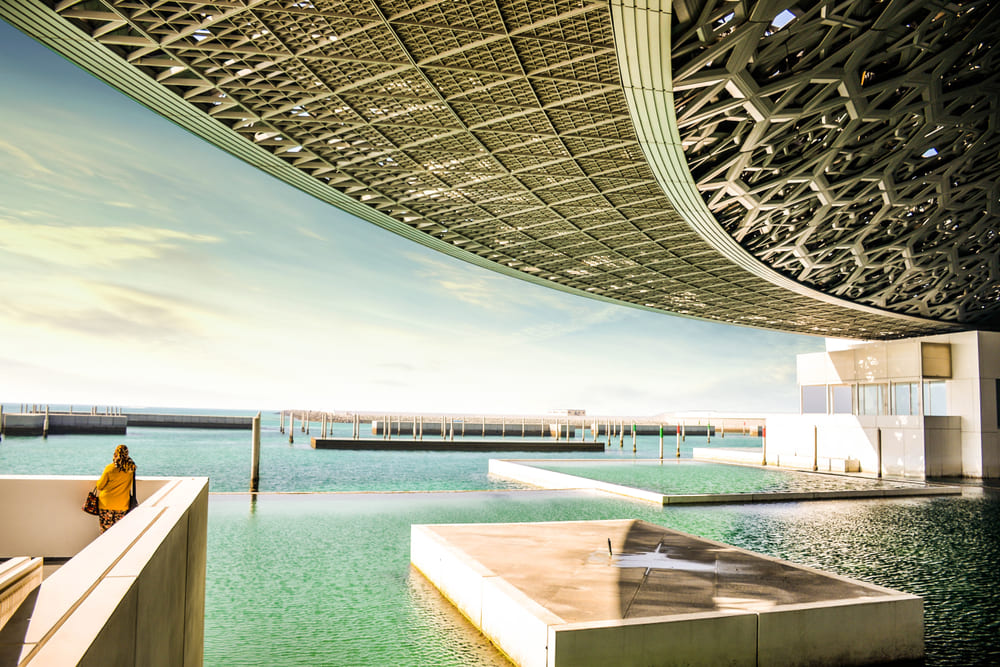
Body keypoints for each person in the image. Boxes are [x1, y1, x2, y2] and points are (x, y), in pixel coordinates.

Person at [95, 444, 136, 533]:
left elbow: (100, 486)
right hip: (122, 505)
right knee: (119, 533)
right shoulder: (131, 468)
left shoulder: (109, 468)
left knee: (105, 532)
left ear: (115, 454)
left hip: (106, 504)